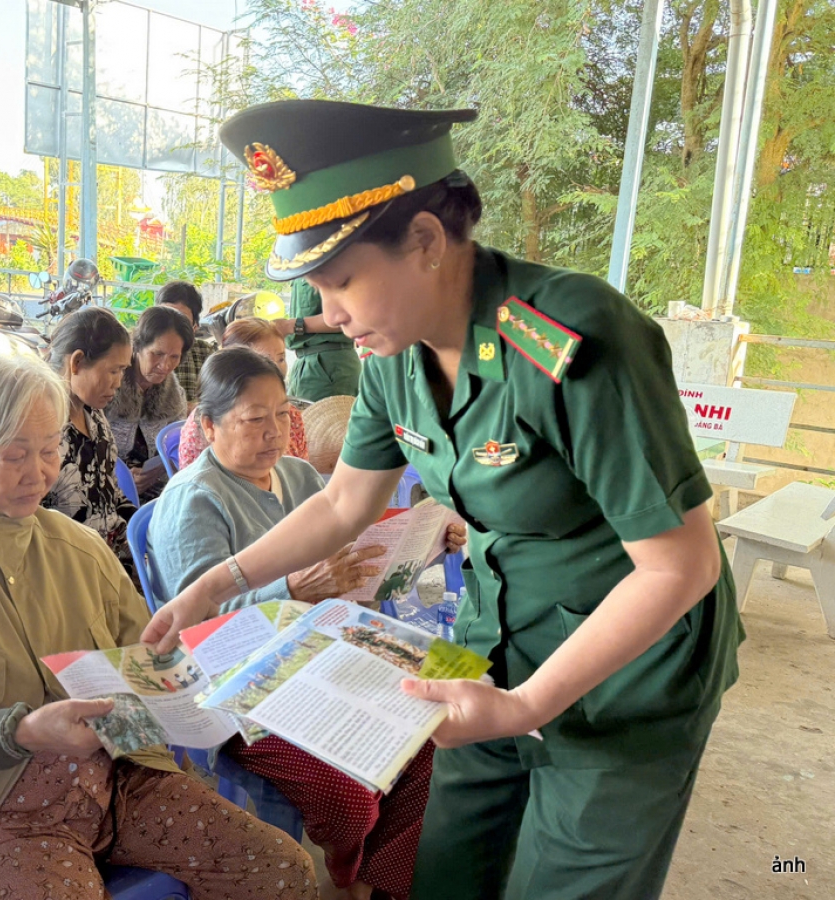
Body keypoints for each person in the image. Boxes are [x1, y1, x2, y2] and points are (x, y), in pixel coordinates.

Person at [144, 100, 745, 900]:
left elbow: (680, 564)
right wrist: (215, 585)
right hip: (491, 646)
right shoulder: (394, 355)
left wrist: (527, 705)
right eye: (316, 289)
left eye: (341, 281)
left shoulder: (574, 337)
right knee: (444, 869)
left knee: (566, 883)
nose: (328, 315)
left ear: (426, 240)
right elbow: (343, 504)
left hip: (625, 674)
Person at [0, 353, 318, 900]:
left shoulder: (77, 548)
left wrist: (186, 680)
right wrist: (18, 733)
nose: (39, 474)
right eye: (13, 455)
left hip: (120, 781)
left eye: (50, 451)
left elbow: (146, 658)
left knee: (281, 868)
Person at [149, 347, 437, 899]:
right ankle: (348, 875)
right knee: (347, 789)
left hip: (326, 659)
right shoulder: (194, 499)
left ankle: (374, 881)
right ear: (208, 426)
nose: (274, 432)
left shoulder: (299, 475)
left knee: (427, 736)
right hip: (241, 689)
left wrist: (417, 541)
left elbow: (349, 554)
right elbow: (199, 623)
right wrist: (291, 589)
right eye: (254, 419)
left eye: (283, 414)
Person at [43, 306, 137, 572]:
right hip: (70, 567)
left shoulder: (93, 415)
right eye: (114, 371)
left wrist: (145, 527)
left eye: (123, 371)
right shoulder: (42, 429)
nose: (118, 383)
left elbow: (110, 489)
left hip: (112, 555)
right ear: (77, 362)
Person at [178, 317, 308, 469]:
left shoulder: (291, 415)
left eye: (281, 359)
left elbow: (302, 474)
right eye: (256, 418)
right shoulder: (205, 426)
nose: (275, 369)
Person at [104, 305, 190, 501]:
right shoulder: (108, 387)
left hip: (156, 490)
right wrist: (120, 477)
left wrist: (155, 474)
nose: (165, 366)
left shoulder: (174, 396)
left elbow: (176, 449)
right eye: (157, 354)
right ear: (137, 347)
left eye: (174, 357)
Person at [277, 279, 362, 401]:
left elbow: (348, 316)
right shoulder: (298, 271)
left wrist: (290, 325)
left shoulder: (329, 268)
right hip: (306, 362)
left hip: (327, 363)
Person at [155, 280, 215, 406]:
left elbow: (217, 400)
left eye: (181, 320)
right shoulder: (141, 352)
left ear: (195, 327)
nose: (171, 326)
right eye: (164, 317)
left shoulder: (206, 353)